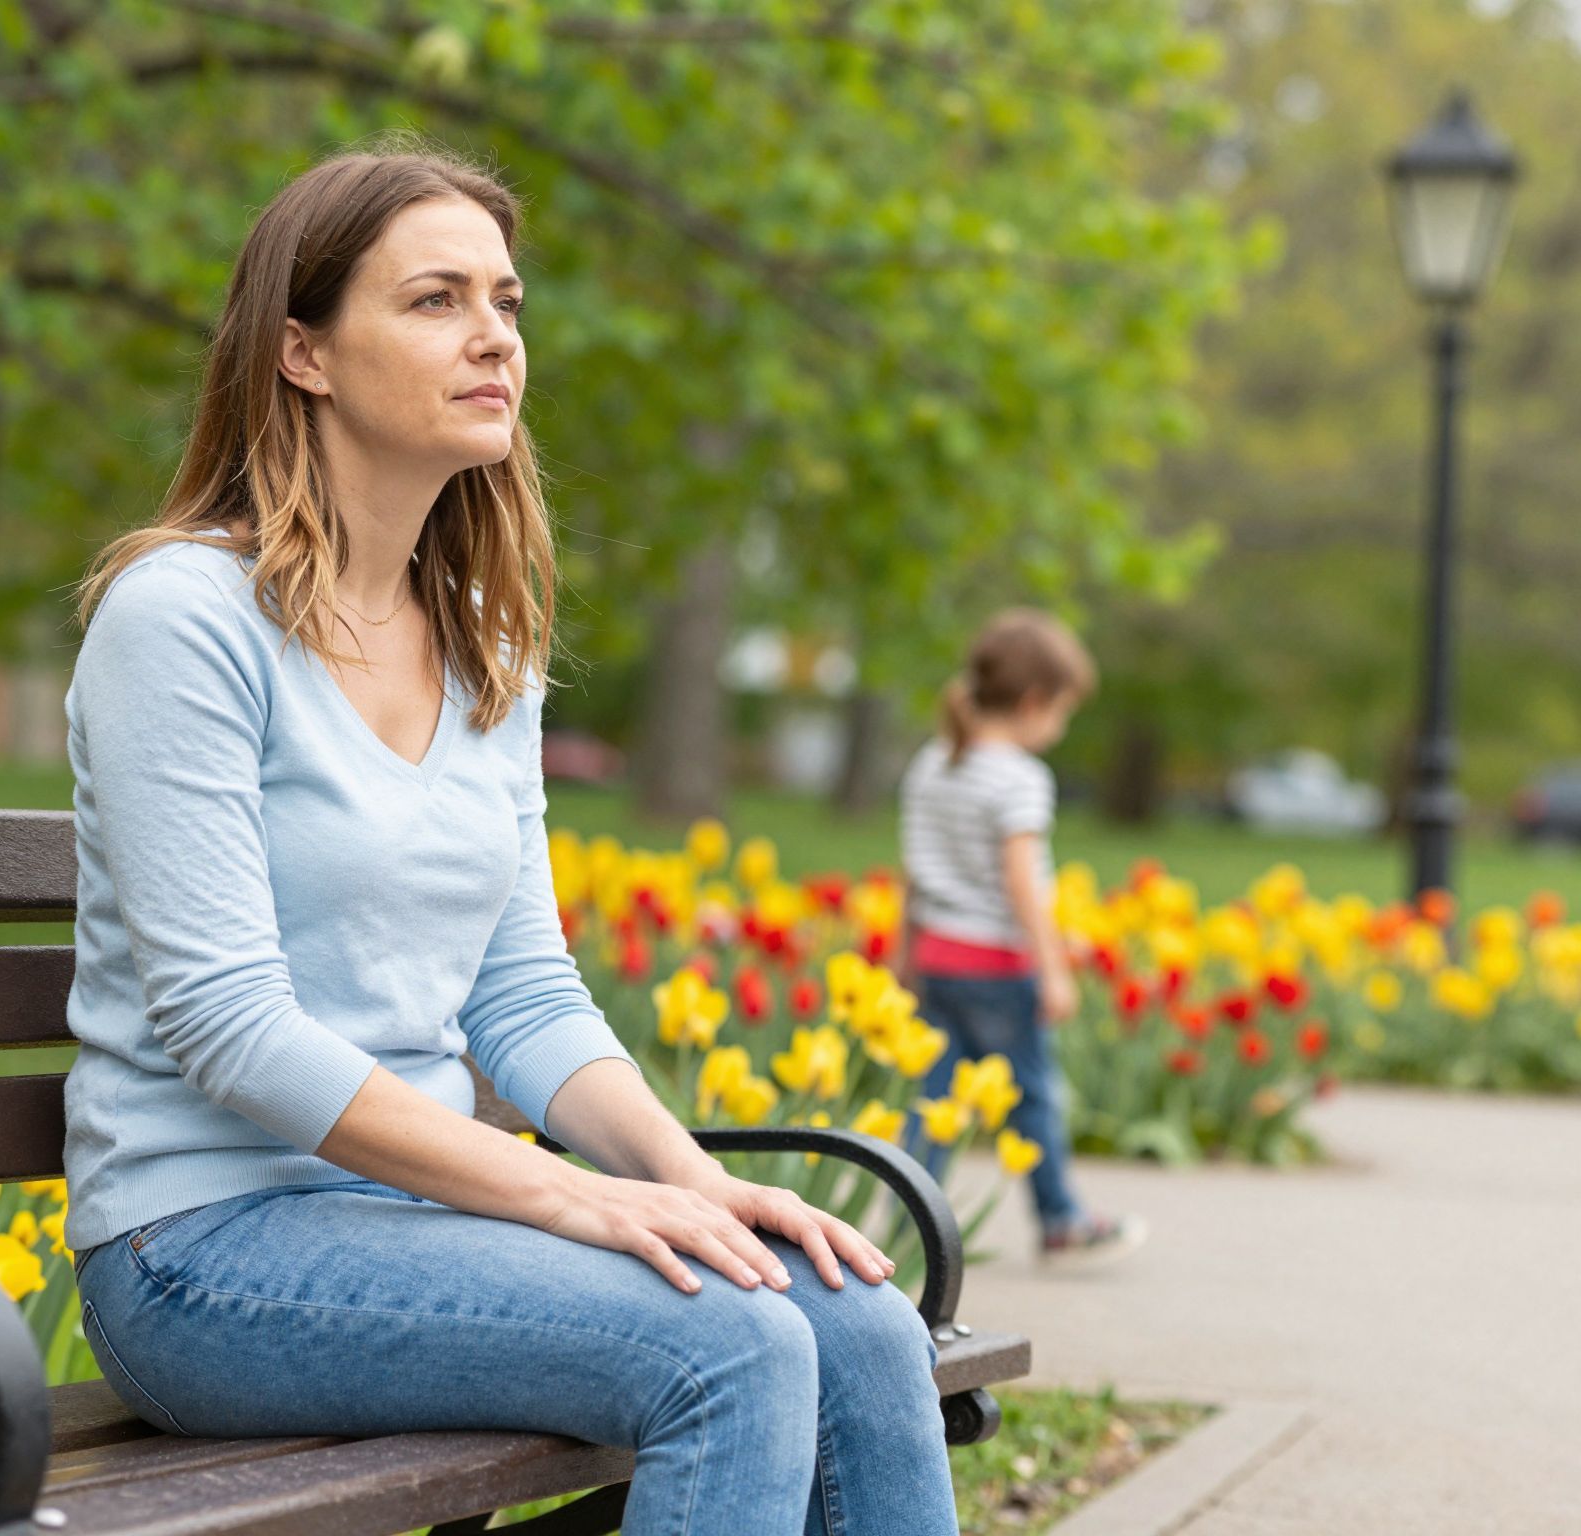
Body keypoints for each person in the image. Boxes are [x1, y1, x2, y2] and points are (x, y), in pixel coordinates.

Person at [58, 137, 960, 1536]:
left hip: (414, 1228)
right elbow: (226, 1023)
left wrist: (693, 1181)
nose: (494, 338)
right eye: (435, 302)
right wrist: (564, 1198)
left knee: (855, 1318)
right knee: (728, 1345)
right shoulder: (182, 618)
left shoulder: (484, 649)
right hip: (202, 1252)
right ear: (302, 353)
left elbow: (522, 996)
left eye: (508, 302)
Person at [893, 609, 1146, 1267]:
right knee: (1033, 1093)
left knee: (932, 1099)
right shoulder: (1019, 777)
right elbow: (1019, 882)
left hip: (938, 960)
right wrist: (1054, 965)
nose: (1059, 729)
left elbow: (917, 870)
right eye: (1063, 712)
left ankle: (902, 1225)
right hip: (999, 968)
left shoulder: (934, 764)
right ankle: (1061, 1215)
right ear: (1034, 702)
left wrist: (903, 951)